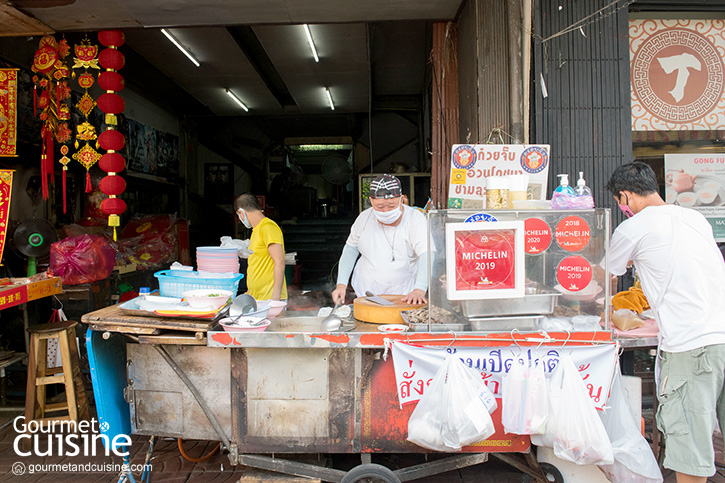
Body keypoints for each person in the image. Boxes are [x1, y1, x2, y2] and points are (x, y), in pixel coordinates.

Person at [605, 162, 725, 483]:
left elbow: (604, 278)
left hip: (691, 346)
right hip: (721, 335)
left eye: (620, 201)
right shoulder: (694, 217)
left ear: (626, 196)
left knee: (689, 448)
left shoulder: (632, 227)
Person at [331, 174, 428, 306]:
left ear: (401, 198)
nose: (386, 211)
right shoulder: (364, 218)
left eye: (391, 206)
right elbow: (350, 249)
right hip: (366, 293)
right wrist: (341, 284)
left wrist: (420, 289)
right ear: (371, 201)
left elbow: (427, 254)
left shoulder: (415, 219)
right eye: (380, 207)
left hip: (404, 294)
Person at [235, 193, 287, 301]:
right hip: (258, 299)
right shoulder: (256, 231)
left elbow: (279, 262)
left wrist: (276, 299)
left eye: (238, 216)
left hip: (270, 299)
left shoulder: (268, 227)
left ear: (241, 212)